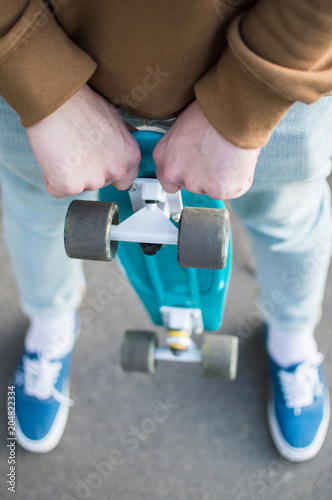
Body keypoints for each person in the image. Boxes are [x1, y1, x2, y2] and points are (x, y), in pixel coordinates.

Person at [0, 0, 332, 461]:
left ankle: (292, 337)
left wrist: (248, 97)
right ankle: (50, 326)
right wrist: (32, 69)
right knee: (36, 207)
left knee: (286, 217)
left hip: (281, 83)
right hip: (39, 85)